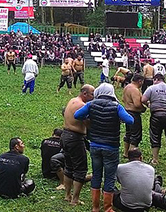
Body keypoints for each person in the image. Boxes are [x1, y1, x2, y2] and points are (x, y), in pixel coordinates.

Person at [74, 83, 134, 212]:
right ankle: (107, 208)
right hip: (111, 147)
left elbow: (77, 115)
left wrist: (89, 118)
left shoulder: (91, 105)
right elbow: (130, 120)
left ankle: (95, 207)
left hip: (95, 145)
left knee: (96, 175)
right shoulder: (116, 106)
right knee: (109, 177)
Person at [62, 84, 95, 205]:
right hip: (75, 138)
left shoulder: (72, 100)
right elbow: (88, 124)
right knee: (80, 169)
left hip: (65, 135)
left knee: (69, 166)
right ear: (85, 93)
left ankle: (67, 195)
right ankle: (75, 199)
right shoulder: (82, 106)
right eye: (92, 94)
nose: (93, 96)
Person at [141, 73, 166, 165]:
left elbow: (143, 99)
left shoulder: (151, 88)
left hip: (157, 115)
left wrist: (148, 105)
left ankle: (155, 159)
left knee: (155, 137)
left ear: (156, 80)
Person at [123, 74, 145, 158]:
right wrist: (143, 108)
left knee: (128, 133)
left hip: (126, 112)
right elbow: (137, 104)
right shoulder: (134, 90)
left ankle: (125, 152)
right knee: (135, 135)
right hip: (134, 113)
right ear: (140, 81)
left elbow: (123, 99)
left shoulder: (127, 87)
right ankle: (132, 155)